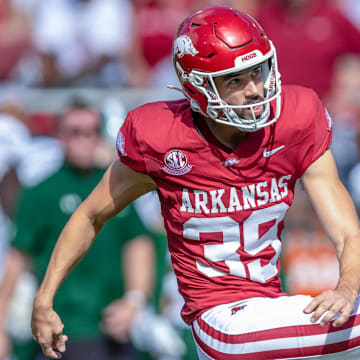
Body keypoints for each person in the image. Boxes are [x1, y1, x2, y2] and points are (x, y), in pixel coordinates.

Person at [31, 6, 360, 360]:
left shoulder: (296, 120)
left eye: (257, 71)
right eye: (234, 80)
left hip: (271, 311)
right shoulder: (162, 137)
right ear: (198, 86)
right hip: (220, 322)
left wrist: (347, 286)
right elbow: (90, 215)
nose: (253, 90)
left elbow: (346, 232)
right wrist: (44, 298)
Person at [0, 101, 155, 360]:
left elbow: (138, 241)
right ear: (60, 136)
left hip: (117, 328)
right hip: (68, 329)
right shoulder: (40, 194)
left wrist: (135, 300)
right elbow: (17, 259)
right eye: (75, 131)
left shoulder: (115, 184)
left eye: (91, 131)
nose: (84, 139)